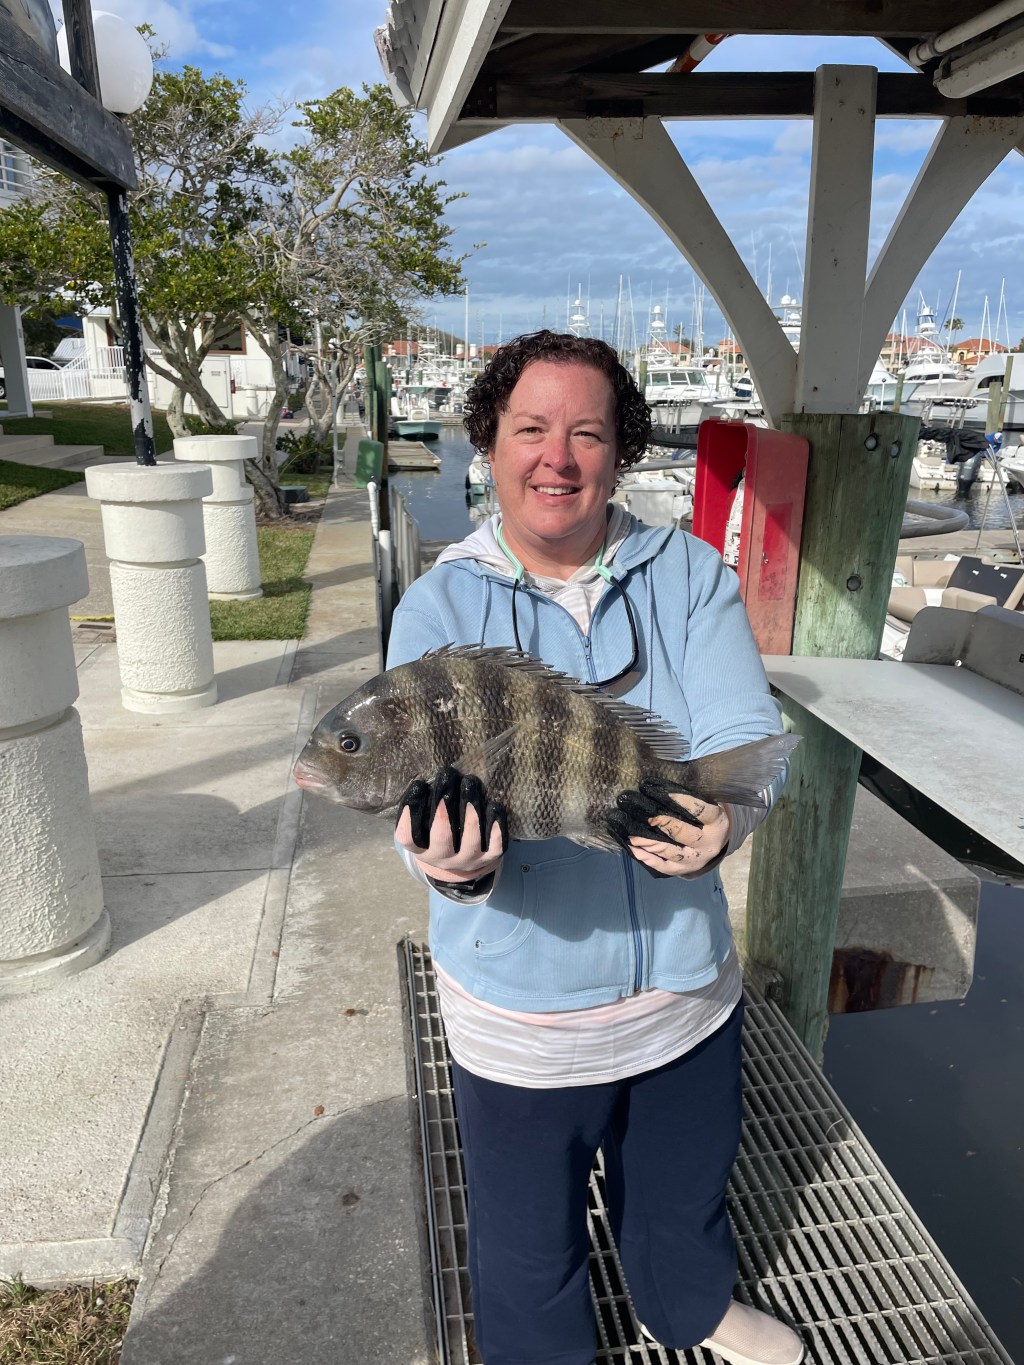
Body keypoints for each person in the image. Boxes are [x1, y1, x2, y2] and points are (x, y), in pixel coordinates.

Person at [386, 331, 804, 1365]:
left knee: (682, 1193)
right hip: (523, 1011)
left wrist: (727, 823)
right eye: (530, 429)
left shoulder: (689, 576)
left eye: (586, 432)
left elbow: (743, 747)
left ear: (622, 452)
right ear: (489, 442)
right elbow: (411, 801)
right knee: (529, 1248)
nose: (556, 458)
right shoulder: (441, 605)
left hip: (681, 984)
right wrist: (448, 862)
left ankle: (691, 1306)